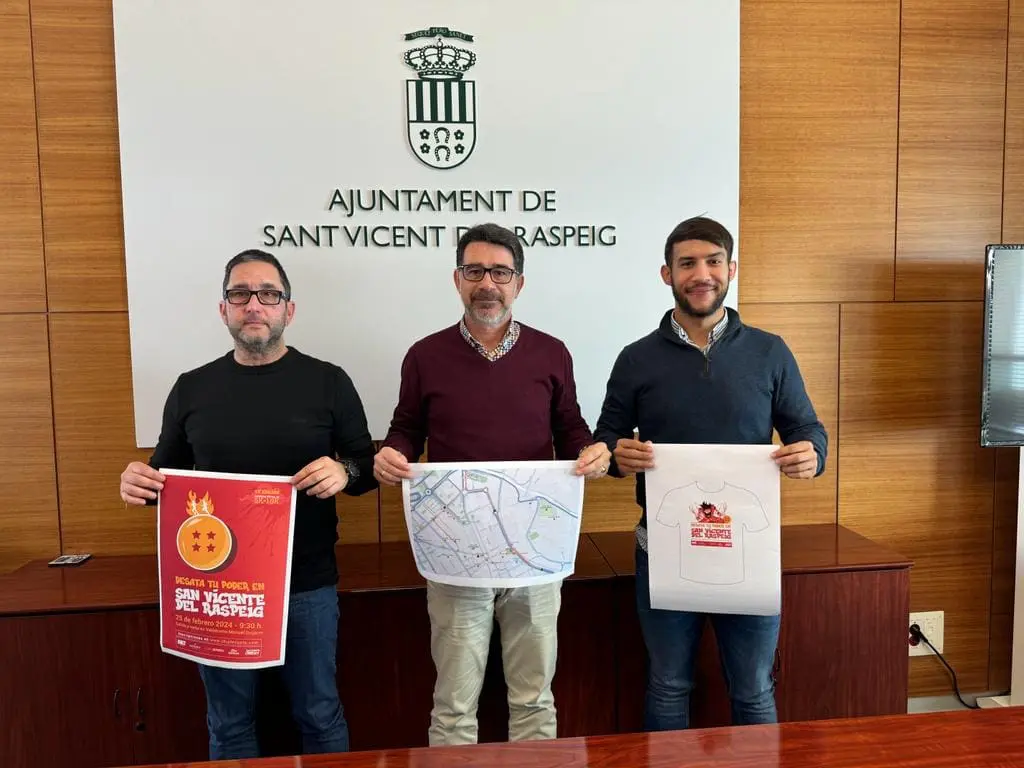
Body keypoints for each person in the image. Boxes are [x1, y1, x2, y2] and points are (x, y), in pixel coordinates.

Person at [118, 249, 377, 759]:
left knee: (320, 714)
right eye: (240, 294)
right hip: (220, 588)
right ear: (224, 309)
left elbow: (367, 467)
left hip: (306, 582)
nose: (254, 304)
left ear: (288, 310)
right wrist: (138, 482)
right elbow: (165, 479)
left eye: (268, 294)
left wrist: (343, 470)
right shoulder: (191, 388)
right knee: (229, 724)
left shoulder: (329, 381)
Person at [372, 222, 611, 746]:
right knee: (454, 707)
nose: (487, 283)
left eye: (500, 273)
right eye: (475, 271)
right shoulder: (425, 355)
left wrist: (590, 451)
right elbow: (406, 428)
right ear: (457, 279)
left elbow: (570, 428)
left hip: (534, 553)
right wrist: (393, 453)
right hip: (456, 552)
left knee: (534, 699)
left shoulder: (551, 353)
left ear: (518, 283)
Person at [593, 215, 828, 731]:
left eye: (713, 261)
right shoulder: (636, 359)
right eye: (687, 264)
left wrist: (812, 454)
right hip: (664, 548)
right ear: (667, 274)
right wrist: (616, 456)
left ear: (731, 268)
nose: (702, 274)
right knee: (667, 684)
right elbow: (606, 438)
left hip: (749, 547)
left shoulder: (770, 351)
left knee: (754, 687)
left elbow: (807, 428)